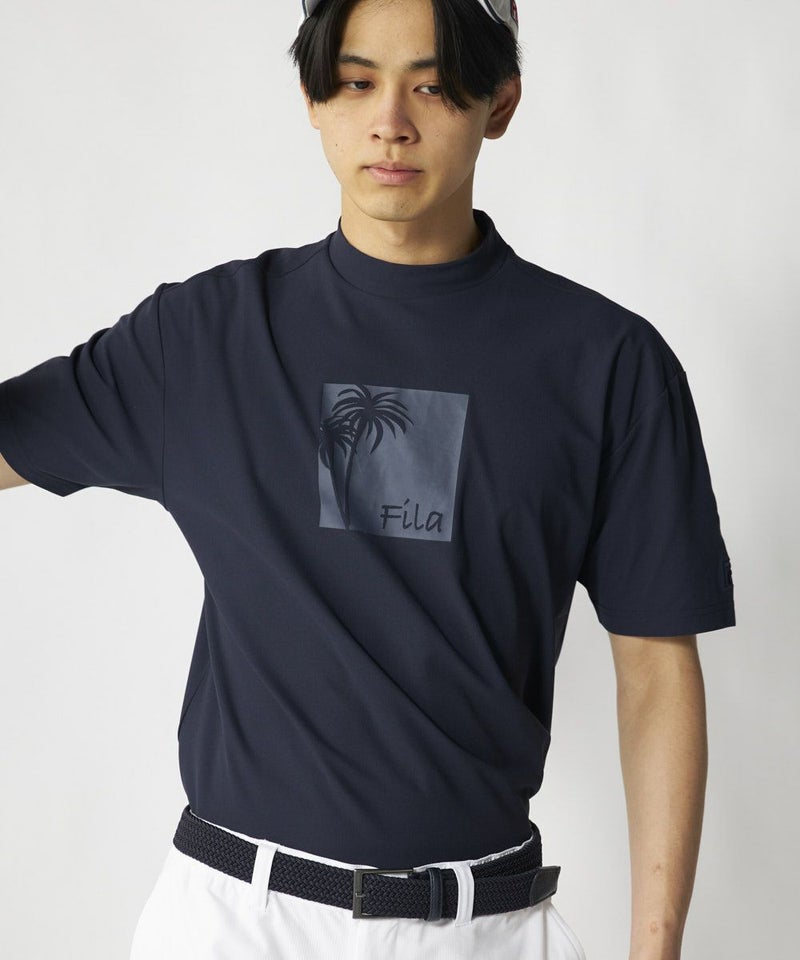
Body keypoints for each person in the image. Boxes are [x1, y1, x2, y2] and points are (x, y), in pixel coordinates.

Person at [0, 0, 736, 957]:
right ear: (313, 98)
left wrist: (656, 948)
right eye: (355, 82)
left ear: (501, 102)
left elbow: (655, 669)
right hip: (234, 922)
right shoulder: (205, 338)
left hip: (485, 927)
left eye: (434, 85)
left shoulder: (607, 364)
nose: (390, 121)